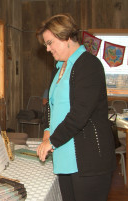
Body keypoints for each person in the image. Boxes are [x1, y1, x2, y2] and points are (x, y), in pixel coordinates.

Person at [35, 14, 116, 201]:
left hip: (88, 160)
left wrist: (52, 140)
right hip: (64, 155)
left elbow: (80, 113)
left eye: (50, 42)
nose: (47, 49)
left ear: (65, 37)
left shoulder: (89, 65)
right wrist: (47, 130)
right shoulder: (59, 67)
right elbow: (50, 104)